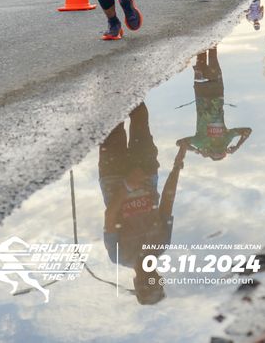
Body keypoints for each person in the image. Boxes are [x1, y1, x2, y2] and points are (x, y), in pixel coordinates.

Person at [99, 102, 185, 304]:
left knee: (112, 122)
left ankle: (108, 90)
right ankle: (128, 85)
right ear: (160, 279)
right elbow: (167, 201)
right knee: (139, 118)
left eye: (146, 284)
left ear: (136, 282)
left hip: (113, 176)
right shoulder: (162, 243)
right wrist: (177, 165)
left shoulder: (119, 255)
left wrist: (127, 186)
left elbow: (110, 215)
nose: (151, 279)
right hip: (146, 171)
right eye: (155, 282)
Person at [176, 46, 252, 160]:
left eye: (217, 154)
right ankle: (206, 38)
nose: (219, 152)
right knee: (207, 54)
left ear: (211, 152)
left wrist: (197, 150)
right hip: (209, 90)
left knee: (208, 53)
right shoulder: (222, 140)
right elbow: (247, 130)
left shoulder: (204, 142)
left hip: (209, 91)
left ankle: (205, 38)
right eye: (221, 153)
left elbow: (180, 143)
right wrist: (237, 146)